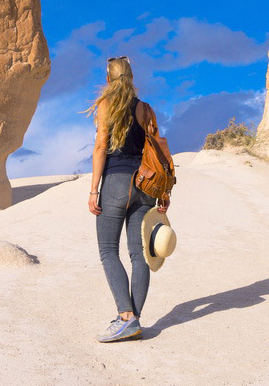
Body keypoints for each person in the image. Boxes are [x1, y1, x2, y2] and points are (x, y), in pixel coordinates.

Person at [85, 56, 171, 343]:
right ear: (132, 77)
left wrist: (94, 188)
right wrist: (164, 191)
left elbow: (100, 147)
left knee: (109, 251)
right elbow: (158, 151)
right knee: (139, 255)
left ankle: (126, 317)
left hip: (117, 182)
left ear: (108, 79)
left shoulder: (106, 105)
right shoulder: (145, 108)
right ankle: (134, 320)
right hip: (145, 183)